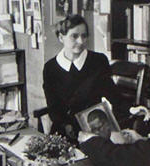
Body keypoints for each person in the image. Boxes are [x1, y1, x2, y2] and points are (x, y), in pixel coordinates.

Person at [43, 14, 116, 142]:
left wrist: (132, 109)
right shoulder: (50, 68)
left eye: (84, 36)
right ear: (61, 37)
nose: (81, 41)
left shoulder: (98, 61)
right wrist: (65, 125)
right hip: (64, 129)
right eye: (74, 36)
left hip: (93, 129)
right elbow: (53, 106)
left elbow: (113, 95)